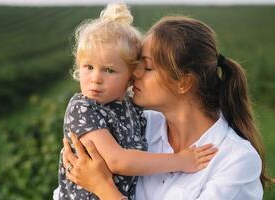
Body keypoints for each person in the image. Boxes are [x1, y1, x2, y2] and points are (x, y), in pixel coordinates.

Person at [62, 13, 274, 200]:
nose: (134, 73)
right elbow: (67, 190)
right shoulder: (141, 126)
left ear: (183, 82)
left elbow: (104, 179)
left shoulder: (236, 161)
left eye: (147, 67)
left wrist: (103, 188)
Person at [54, 3, 217, 200]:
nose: (95, 78)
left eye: (109, 70)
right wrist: (180, 161)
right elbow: (117, 161)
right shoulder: (83, 107)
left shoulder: (133, 110)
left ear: (131, 76)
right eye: (88, 67)